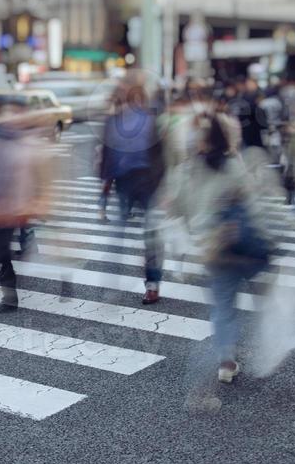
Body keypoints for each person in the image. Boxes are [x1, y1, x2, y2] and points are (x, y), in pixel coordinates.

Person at [168, 113, 273, 395]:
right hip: (241, 243)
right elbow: (252, 204)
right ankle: (267, 344)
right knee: (261, 296)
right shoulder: (233, 166)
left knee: (223, 305)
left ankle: (226, 361)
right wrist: (266, 237)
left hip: (212, 246)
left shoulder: (188, 169)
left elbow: (174, 206)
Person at [0, 101, 50, 313]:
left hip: (11, 210)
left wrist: (28, 206)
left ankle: (8, 296)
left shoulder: (26, 144)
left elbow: (32, 179)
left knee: (1, 252)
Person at [99, 77, 167, 304]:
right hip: (127, 183)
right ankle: (120, 286)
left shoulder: (149, 120)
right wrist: (106, 185)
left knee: (143, 234)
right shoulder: (114, 121)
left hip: (143, 182)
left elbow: (160, 155)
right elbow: (108, 154)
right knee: (124, 235)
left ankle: (150, 284)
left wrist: (161, 184)